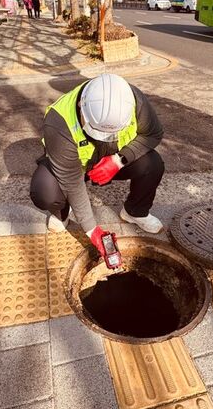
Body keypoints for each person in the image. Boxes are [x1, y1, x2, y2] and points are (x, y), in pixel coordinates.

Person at [30, 74, 164, 267]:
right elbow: (71, 180)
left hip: (113, 159)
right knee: (45, 190)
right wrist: (92, 230)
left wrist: (119, 160)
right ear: (81, 106)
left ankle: (135, 211)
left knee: (153, 164)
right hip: (75, 166)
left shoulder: (133, 101)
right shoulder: (58, 121)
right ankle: (62, 213)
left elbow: (153, 134)